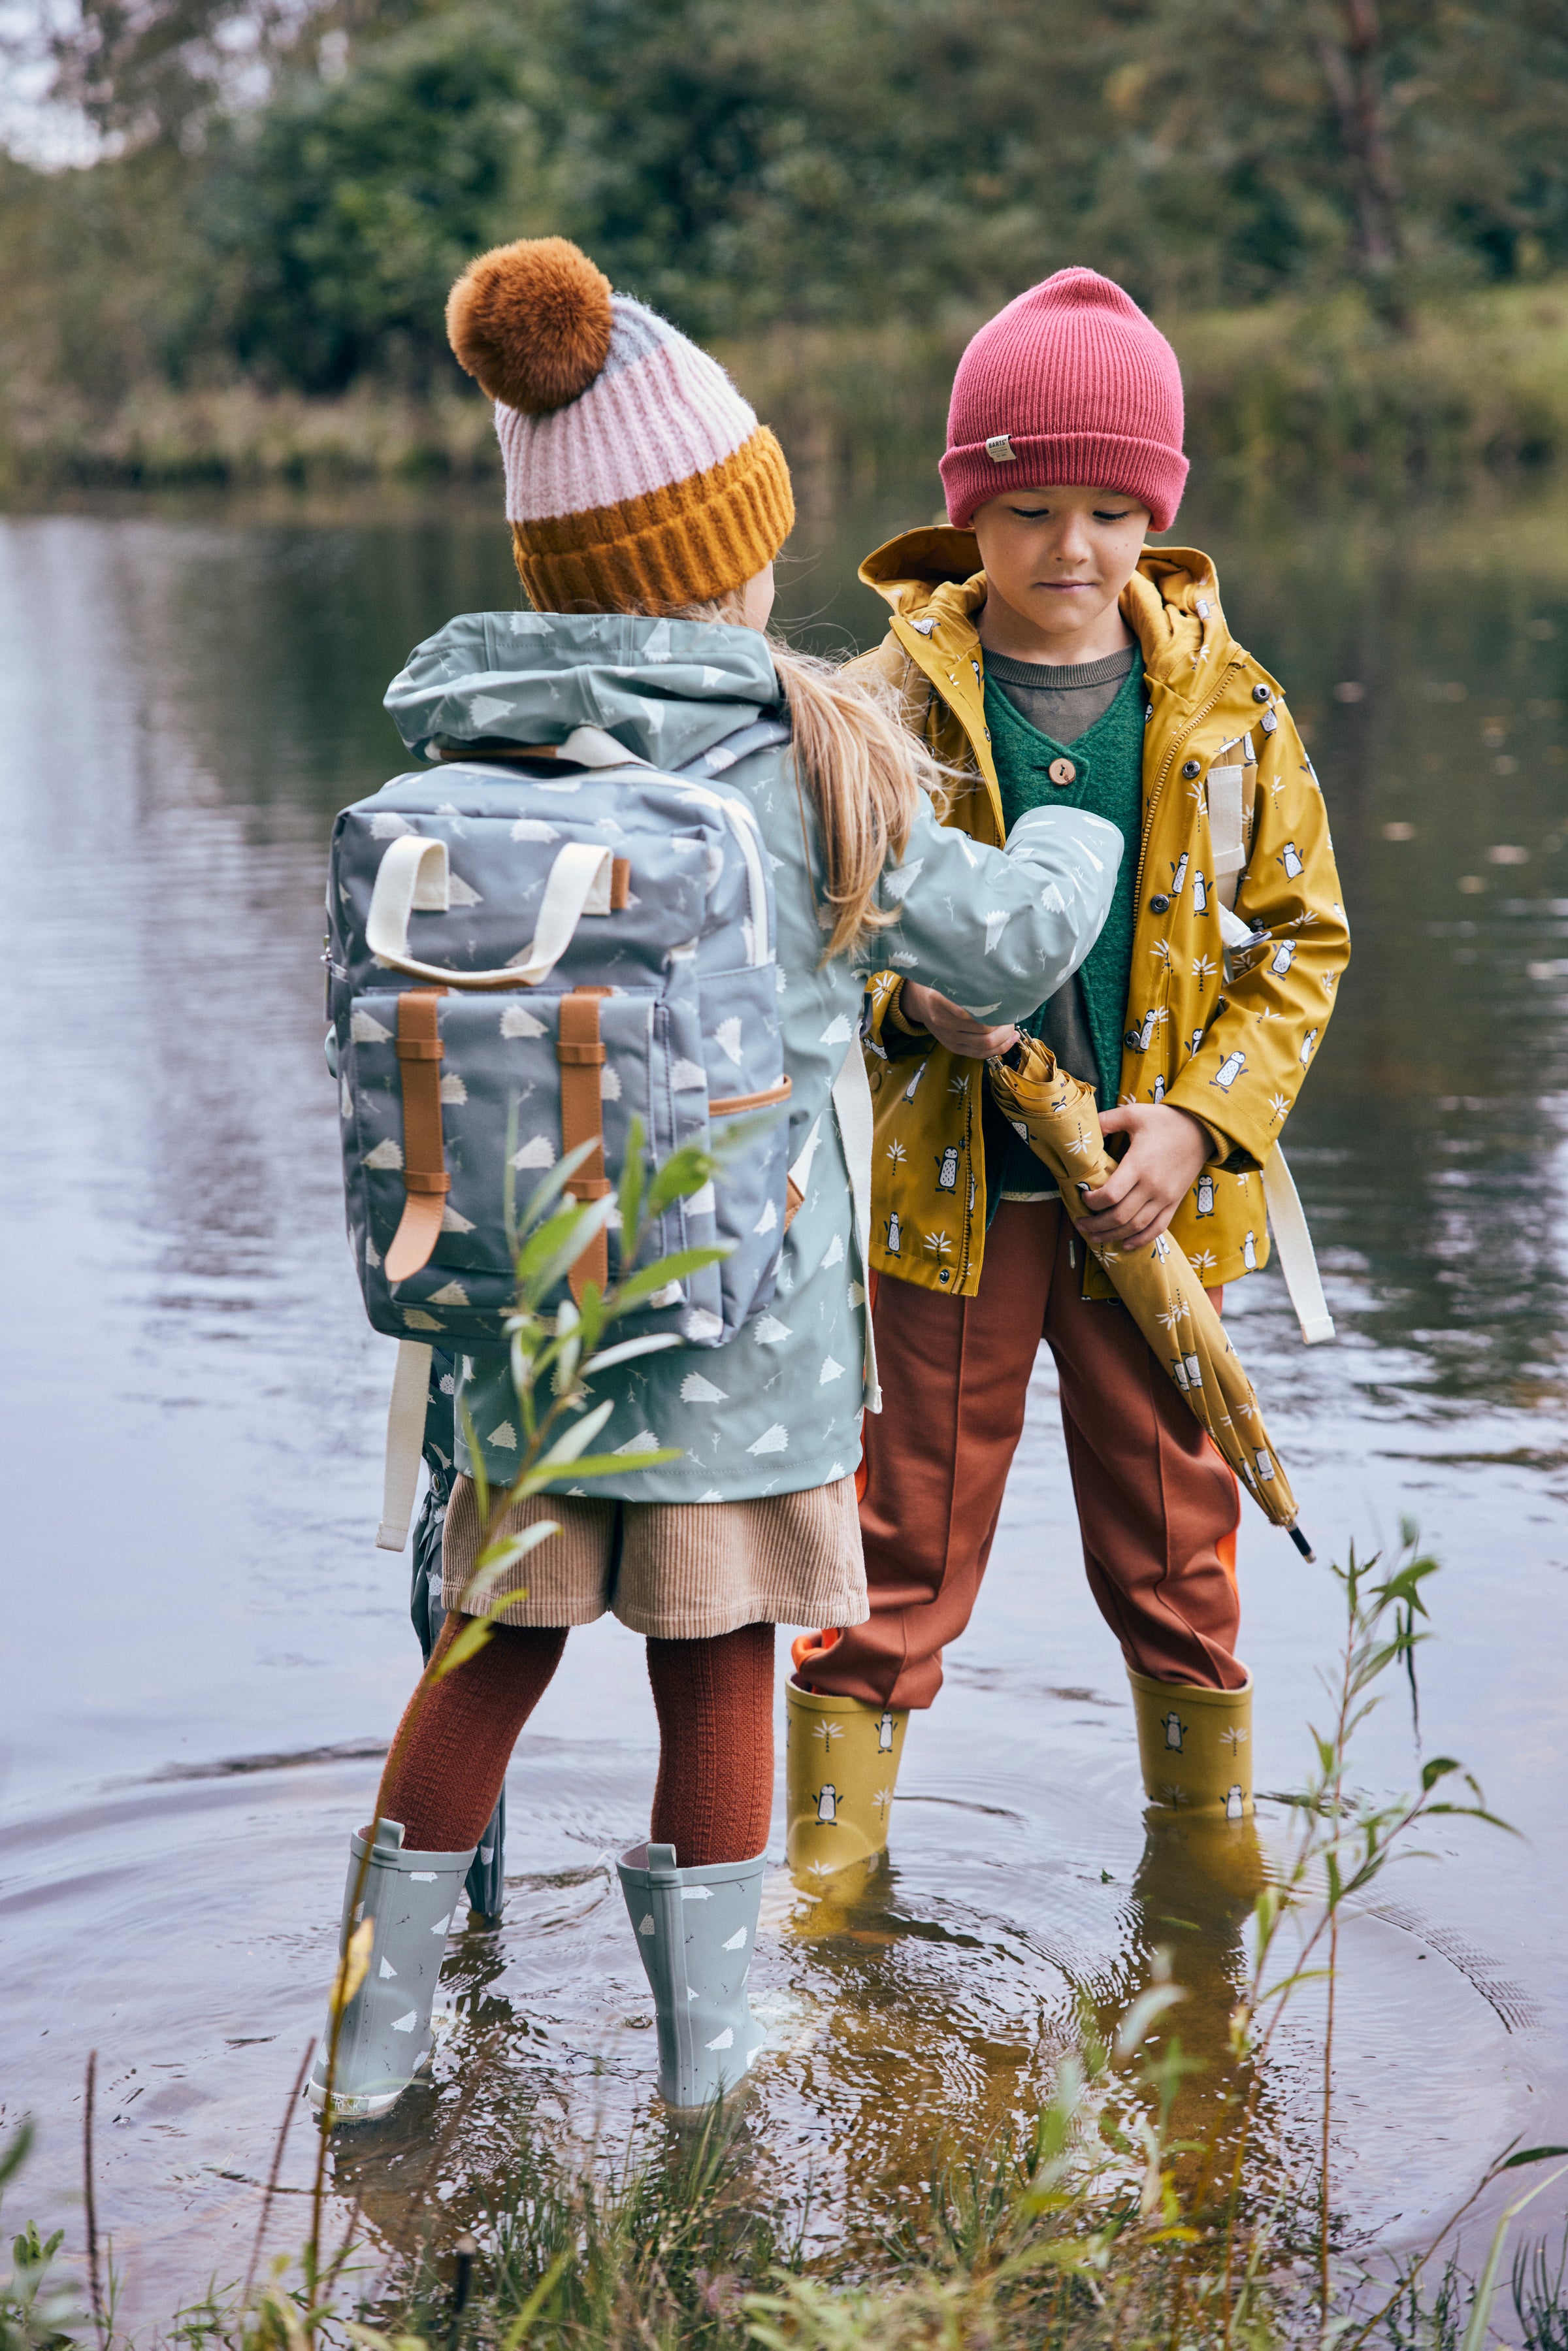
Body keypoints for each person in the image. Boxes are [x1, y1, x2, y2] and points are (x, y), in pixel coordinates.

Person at [310, 237, 1123, 2118]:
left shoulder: (467, 755)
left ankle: (371, 2059)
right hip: (734, 1354)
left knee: (484, 1663)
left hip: (521, 1336)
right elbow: (997, 947)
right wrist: (1074, 827)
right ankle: (705, 2083)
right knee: (721, 1670)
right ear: (725, 552)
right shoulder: (803, 750)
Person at [785, 268, 1350, 1878]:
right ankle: (833, 1890)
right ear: (970, 508)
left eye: (1111, 507)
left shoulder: (1228, 710)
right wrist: (912, 1009)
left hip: (1148, 1215)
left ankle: (1206, 1880)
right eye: (1031, 507)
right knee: (897, 1540)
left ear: (1157, 511)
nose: (1073, 548)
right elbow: (813, 936)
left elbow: (1300, 942)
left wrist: (1199, 1118)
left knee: (1180, 1545)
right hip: (944, 1208)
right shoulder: (875, 709)